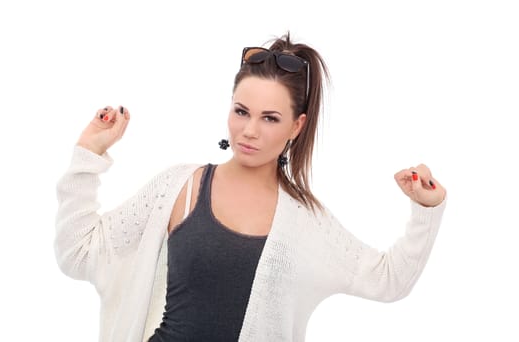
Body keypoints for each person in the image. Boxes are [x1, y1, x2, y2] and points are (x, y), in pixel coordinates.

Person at [54, 33, 447, 342]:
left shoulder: (306, 222)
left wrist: (426, 211)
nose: (249, 130)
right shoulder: (179, 187)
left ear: (297, 126)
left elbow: (388, 280)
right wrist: (88, 154)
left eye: (270, 118)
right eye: (241, 111)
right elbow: (78, 252)